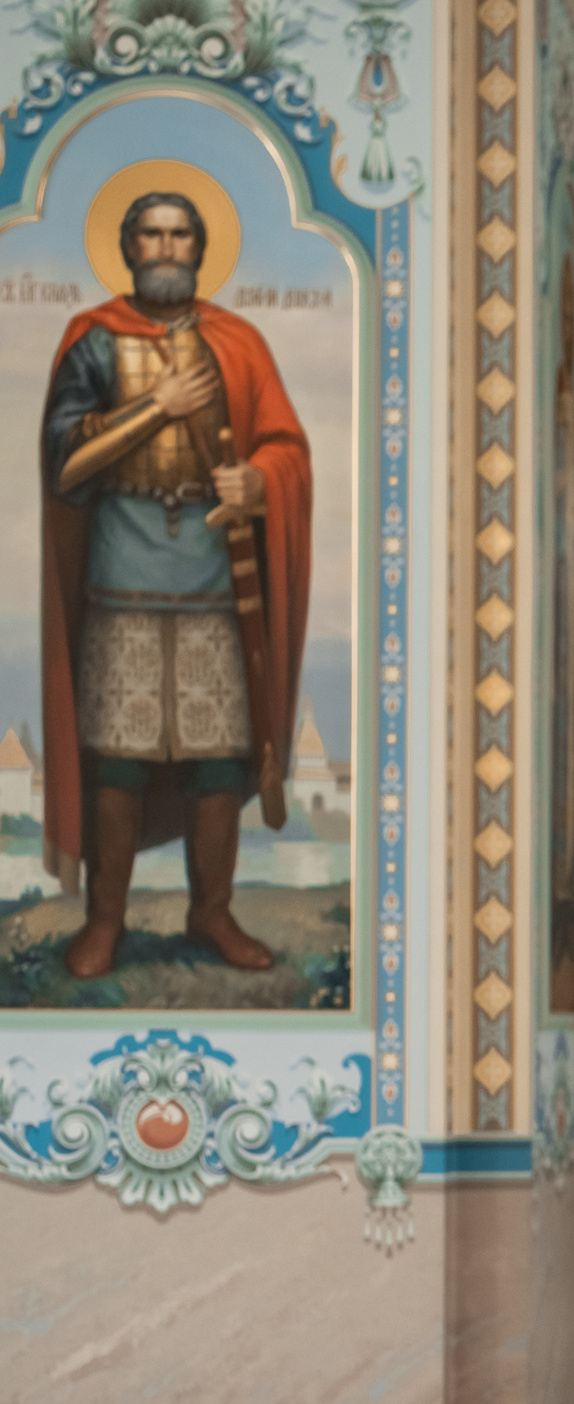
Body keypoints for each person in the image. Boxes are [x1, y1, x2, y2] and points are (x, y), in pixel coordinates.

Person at [40, 189, 314, 979]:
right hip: (120, 567)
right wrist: (156, 406)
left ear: (199, 247)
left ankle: (213, 911)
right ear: (128, 249)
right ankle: (105, 919)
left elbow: (284, 447)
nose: (166, 248)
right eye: (151, 235)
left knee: (218, 754)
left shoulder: (239, 343)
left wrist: (259, 483)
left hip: (215, 575)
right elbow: (65, 465)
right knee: (118, 752)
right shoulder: (92, 343)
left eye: (180, 235)